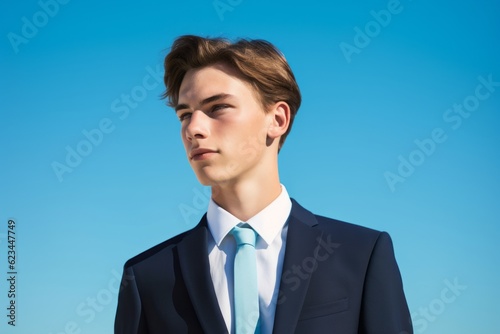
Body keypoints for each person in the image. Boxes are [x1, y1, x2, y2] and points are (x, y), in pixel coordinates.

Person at [114, 35, 413, 334]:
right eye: (185, 114)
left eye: (217, 107)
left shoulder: (361, 255)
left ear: (278, 119)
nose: (193, 128)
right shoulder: (146, 277)